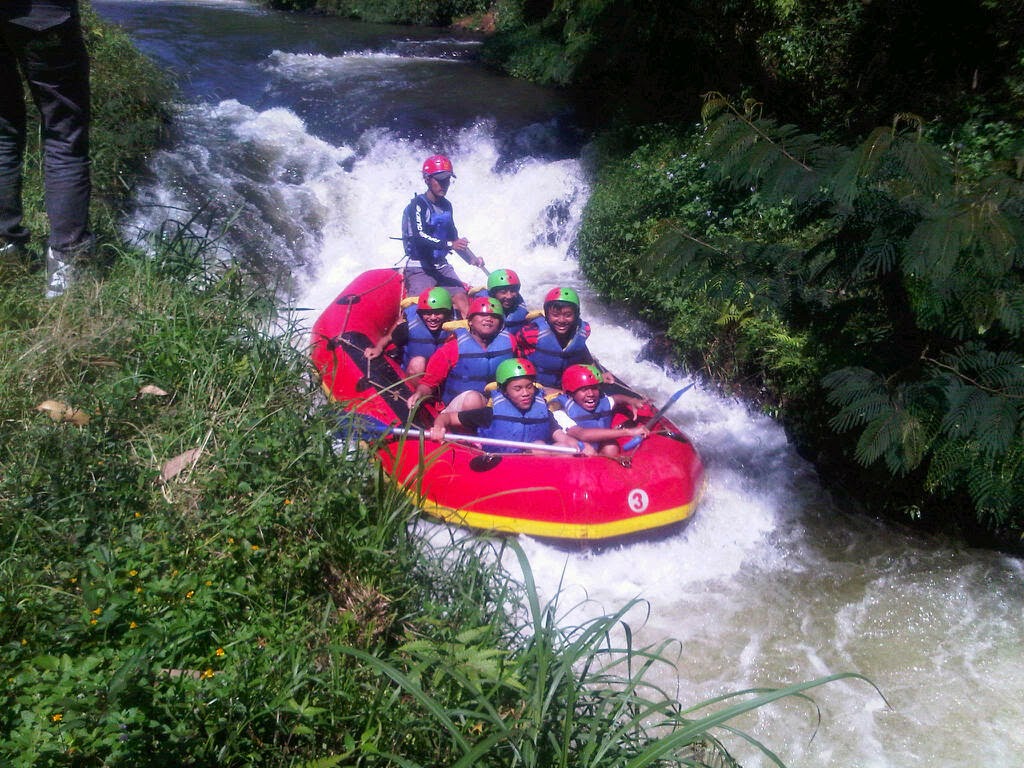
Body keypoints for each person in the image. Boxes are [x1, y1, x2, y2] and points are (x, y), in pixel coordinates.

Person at [1, 0, 93, 297]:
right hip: (43, 12)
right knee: (65, 135)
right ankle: (64, 265)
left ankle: (5, 248)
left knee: (2, 131)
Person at [429, 357, 577, 454]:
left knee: (562, 448)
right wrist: (438, 427)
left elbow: (561, 437)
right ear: (505, 392)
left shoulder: (542, 412)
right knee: (538, 448)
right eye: (517, 389)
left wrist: (580, 447)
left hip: (533, 466)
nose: (526, 393)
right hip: (501, 465)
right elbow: (446, 417)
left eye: (529, 387)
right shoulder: (490, 414)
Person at [401, 154, 485, 318]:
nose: (443, 184)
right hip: (419, 267)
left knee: (462, 300)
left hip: (441, 265)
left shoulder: (447, 206)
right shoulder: (417, 205)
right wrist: (450, 245)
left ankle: (470, 339)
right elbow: (419, 237)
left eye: (447, 180)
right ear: (427, 179)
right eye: (439, 180)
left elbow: (454, 238)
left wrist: (472, 259)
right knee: (420, 309)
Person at [406, 295, 520, 411]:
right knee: (473, 400)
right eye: (482, 315)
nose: (488, 319)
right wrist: (419, 394)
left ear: (501, 323)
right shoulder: (452, 348)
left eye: (494, 316)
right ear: (470, 321)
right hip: (457, 410)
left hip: (495, 404)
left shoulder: (510, 342)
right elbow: (429, 383)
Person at [516, 286, 607, 391]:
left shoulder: (583, 330)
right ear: (547, 315)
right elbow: (518, 347)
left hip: (569, 383)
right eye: (555, 315)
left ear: (577, 315)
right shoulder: (532, 332)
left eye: (568, 315)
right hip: (539, 385)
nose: (561, 320)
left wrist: (599, 373)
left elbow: (582, 350)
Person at [553, 364, 651, 457]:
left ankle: (608, 468)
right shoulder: (561, 413)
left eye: (594, 388)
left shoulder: (602, 402)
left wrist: (631, 400)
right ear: (571, 393)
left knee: (611, 447)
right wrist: (628, 432)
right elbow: (582, 434)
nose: (590, 393)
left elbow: (616, 398)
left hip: (600, 446)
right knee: (588, 449)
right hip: (579, 450)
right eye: (584, 389)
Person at [364, 286, 454, 381]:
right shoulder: (409, 318)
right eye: (427, 313)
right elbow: (389, 336)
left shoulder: (454, 325)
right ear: (421, 312)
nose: (432, 318)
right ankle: (416, 394)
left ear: (447, 313)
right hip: (413, 372)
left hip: (440, 374)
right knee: (418, 362)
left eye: (438, 313)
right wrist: (378, 347)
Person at [475, 267, 531, 335]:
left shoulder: (520, 308)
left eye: (513, 291)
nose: (509, 296)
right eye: (503, 292)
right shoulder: (480, 313)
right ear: (493, 294)